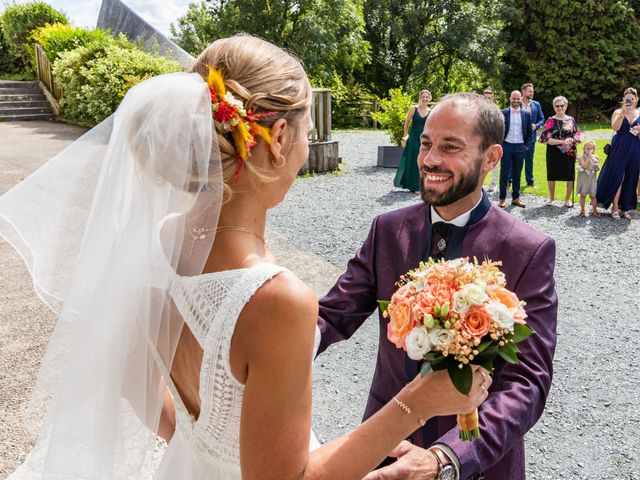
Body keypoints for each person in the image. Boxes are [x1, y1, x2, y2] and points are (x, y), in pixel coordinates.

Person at [0, 36, 490, 480]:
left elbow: (133, 378)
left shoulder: (158, 241)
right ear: (278, 138)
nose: (304, 148)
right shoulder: (275, 298)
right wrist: (418, 402)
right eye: (305, 131)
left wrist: (203, 450)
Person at [318, 93, 558, 480]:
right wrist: (273, 352)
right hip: (386, 450)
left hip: (474, 462)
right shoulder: (388, 229)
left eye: (450, 147)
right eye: (427, 144)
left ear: (491, 158)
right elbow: (331, 314)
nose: (430, 159)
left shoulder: (526, 249)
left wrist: (446, 458)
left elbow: (526, 382)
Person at [596, 87, 640, 219]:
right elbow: (615, 127)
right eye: (627, 99)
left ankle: (625, 207)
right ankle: (614, 207)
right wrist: (622, 113)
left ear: (636, 99)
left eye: (632, 99)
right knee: (618, 176)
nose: (630, 101)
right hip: (619, 147)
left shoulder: (639, 113)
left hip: (635, 148)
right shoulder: (618, 112)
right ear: (623, 99)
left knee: (631, 176)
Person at [539, 96, 580, 207]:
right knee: (552, 174)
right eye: (557, 106)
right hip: (553, 152)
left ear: (566, 106)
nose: (560, 108)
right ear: (554, 107)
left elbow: (576, 134)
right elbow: (546, 138)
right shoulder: (550, 120)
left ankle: (567, 200)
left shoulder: (571, 120)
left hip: (569, 152)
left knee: (569, 176)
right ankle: (551, 198)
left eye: (562, 105)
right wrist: (562, 142)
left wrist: (572, 140)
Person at [498, 90, 531, 208]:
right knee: (504, 173)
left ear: (521, 99)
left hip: (520, 147)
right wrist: (500, 144)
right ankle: (502, 199)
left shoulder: (526, 114)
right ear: (510, 98)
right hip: (506, 145)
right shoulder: (503, 113)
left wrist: (526, 146)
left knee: (517, 173)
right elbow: (499, 130)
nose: (516, 101)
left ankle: (515, 198)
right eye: (514, 98)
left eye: (518, 98)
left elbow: (529, 131)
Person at [394, 89, 432, 192]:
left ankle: (421, 185)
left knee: (423, 161)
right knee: (413, 160)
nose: (425, 99)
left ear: (429, 99)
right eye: (423, 97)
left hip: (424, 139)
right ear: (420, 98)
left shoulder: (431, 112)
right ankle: (412, 185)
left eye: (427, 97)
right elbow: (407, 122)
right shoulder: (413, 108)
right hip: (414, 137)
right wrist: (405, 134)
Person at [511, 83, 544, 188]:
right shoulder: (516, 102)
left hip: (531, 137)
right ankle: (510, 180)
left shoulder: (536, 104)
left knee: (529, 160)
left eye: (532, 91)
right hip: (517, 137)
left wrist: (536, 125)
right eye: (530, 91)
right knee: (515, 160)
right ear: (523, 92)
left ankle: (530, 181)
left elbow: (542, 119)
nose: (532, 93)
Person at [576, 140, 600, 217]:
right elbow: (584, 166)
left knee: (593, 195)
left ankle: (595, 210)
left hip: (591, 179)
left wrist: (596, 165)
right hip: (584, 179)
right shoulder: (582, 157)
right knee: (583, 195)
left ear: (594, 149)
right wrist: (589, 158)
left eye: (591, 149)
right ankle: (582, 210)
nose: (589, 150)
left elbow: (596, 167)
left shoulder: (596, 157)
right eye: (587, 148)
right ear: (584, 149)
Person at [483, 87, 499, 193]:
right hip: (482, 138)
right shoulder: (478, 109)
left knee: (494, 162)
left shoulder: (496, 109)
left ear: (492, 98)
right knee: (480, 161)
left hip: (493, 138)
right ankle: (480, 183)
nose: (488, 99)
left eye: (489, 97)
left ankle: (493, 184)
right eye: (486, 97)